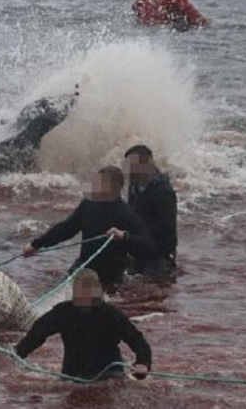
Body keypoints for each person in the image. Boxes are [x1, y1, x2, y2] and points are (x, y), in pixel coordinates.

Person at [22, 167, 155, 286]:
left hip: (110, 275)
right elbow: (66, 229)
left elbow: (148, 246)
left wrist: (124, 236)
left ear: (116, 187)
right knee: (60, 292)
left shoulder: (127, 213)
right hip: (84, 266)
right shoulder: (88, 204)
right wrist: (36, 245)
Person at [15, 269, 152, 381]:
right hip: (72, 376)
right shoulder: (63, 312)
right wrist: (18, 353)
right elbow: (37, 333)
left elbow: (138, 341)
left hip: (108, 376)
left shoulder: (111, 314)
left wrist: (143, 363)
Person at [124, 145, 178, 278]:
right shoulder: (134, 185)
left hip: (160, 252)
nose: (129, 171)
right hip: (138, 247)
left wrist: (135, 231)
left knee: (152, 285)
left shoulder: (163, 190)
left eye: (133, 167)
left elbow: (167, 226)